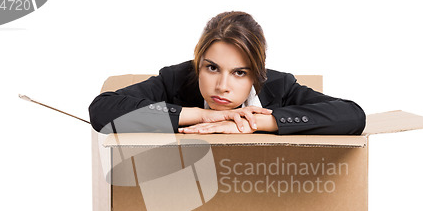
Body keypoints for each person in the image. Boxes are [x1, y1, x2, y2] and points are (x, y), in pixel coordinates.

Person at [88, 11, 366, 135]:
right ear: (198, 63)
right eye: (212, 68)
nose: (222, 85)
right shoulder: (176, 80)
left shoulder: (279, 87)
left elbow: (352, 115)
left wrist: (254, 124)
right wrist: (204, 114)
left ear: (257, 74)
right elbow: (102, 110)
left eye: (240, 73)